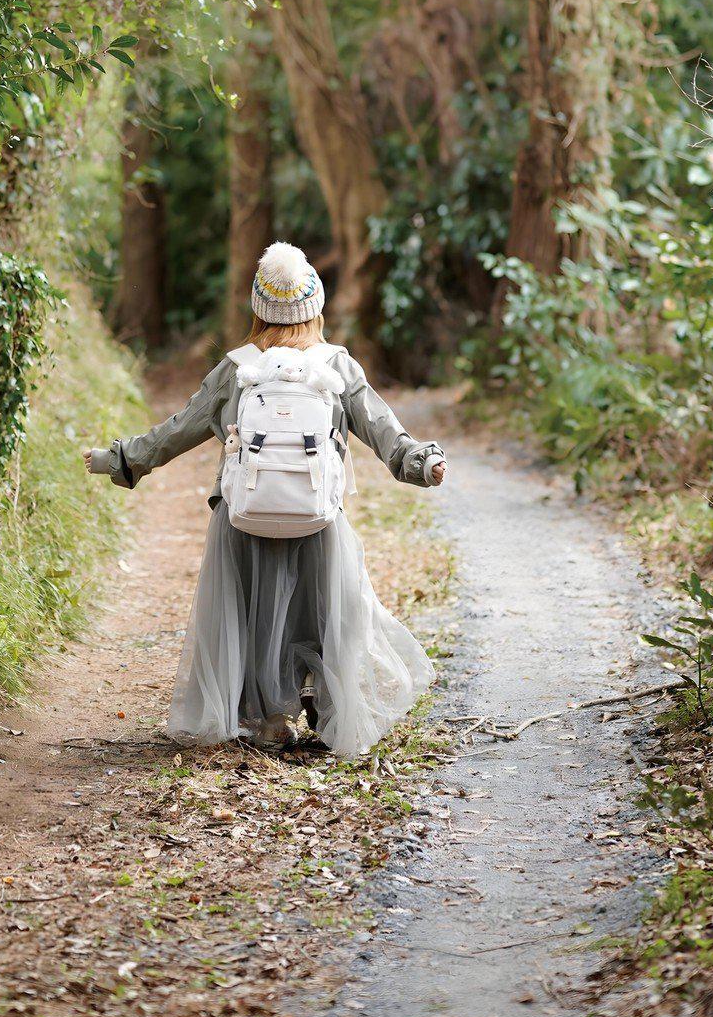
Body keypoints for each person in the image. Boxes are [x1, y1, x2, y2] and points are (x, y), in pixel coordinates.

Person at [85, 242, 446, 756]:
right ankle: (325, 704)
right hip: (319, 518)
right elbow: (382, 427)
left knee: (252, 614)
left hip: (245, 515)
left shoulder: (237, 369)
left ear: (257, 308)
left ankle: (269, 718)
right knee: (321, 612)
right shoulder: (336, 367)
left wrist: (121, 459)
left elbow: (179, 429)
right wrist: (420, 462)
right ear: (315, 306)